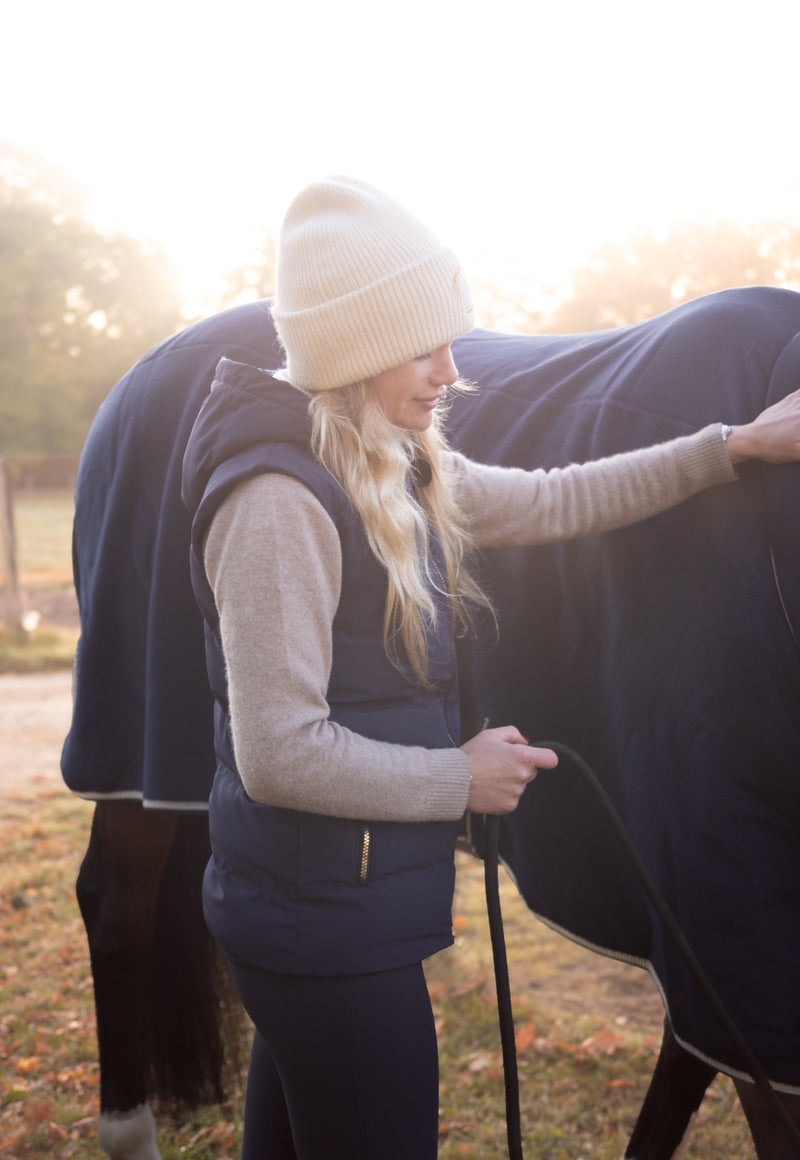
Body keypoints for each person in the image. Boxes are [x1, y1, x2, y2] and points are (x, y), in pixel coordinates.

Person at [181, 177, 800, 1160]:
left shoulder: (388, 457)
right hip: (322, 924)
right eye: (420, 347)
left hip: (336, 907)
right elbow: (276, 753)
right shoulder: (276, 501)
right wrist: (456, 778)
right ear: (352, 348)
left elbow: (554, 501)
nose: (449, 372)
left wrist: (733, 447)